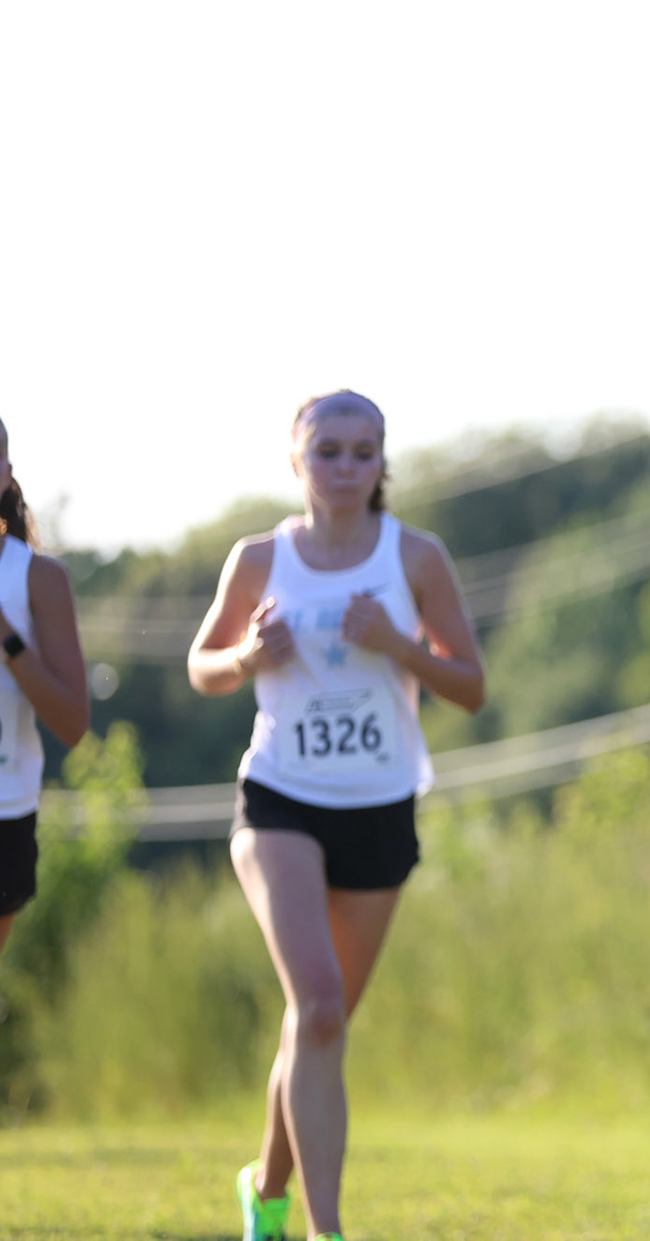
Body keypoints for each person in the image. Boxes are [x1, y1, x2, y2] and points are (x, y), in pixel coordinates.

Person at [188, 392, 485, 1241]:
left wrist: (398, 644)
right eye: (329, 451)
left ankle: (266, 1194)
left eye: (364, 452)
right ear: (296, 460)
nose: (347, 468)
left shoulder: (416, 557)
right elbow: (201, 667)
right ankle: (327, 1229)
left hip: (380, 805)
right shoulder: (259, 557)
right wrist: (248, 655)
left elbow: (469, 686)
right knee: (317, 1008)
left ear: (382, 463)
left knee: (318, 1028)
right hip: (279, 798)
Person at [0, 410, 91, 977]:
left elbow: (73, 723)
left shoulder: (38, 578)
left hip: (2, 814)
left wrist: (4, 635)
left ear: (8, 472)